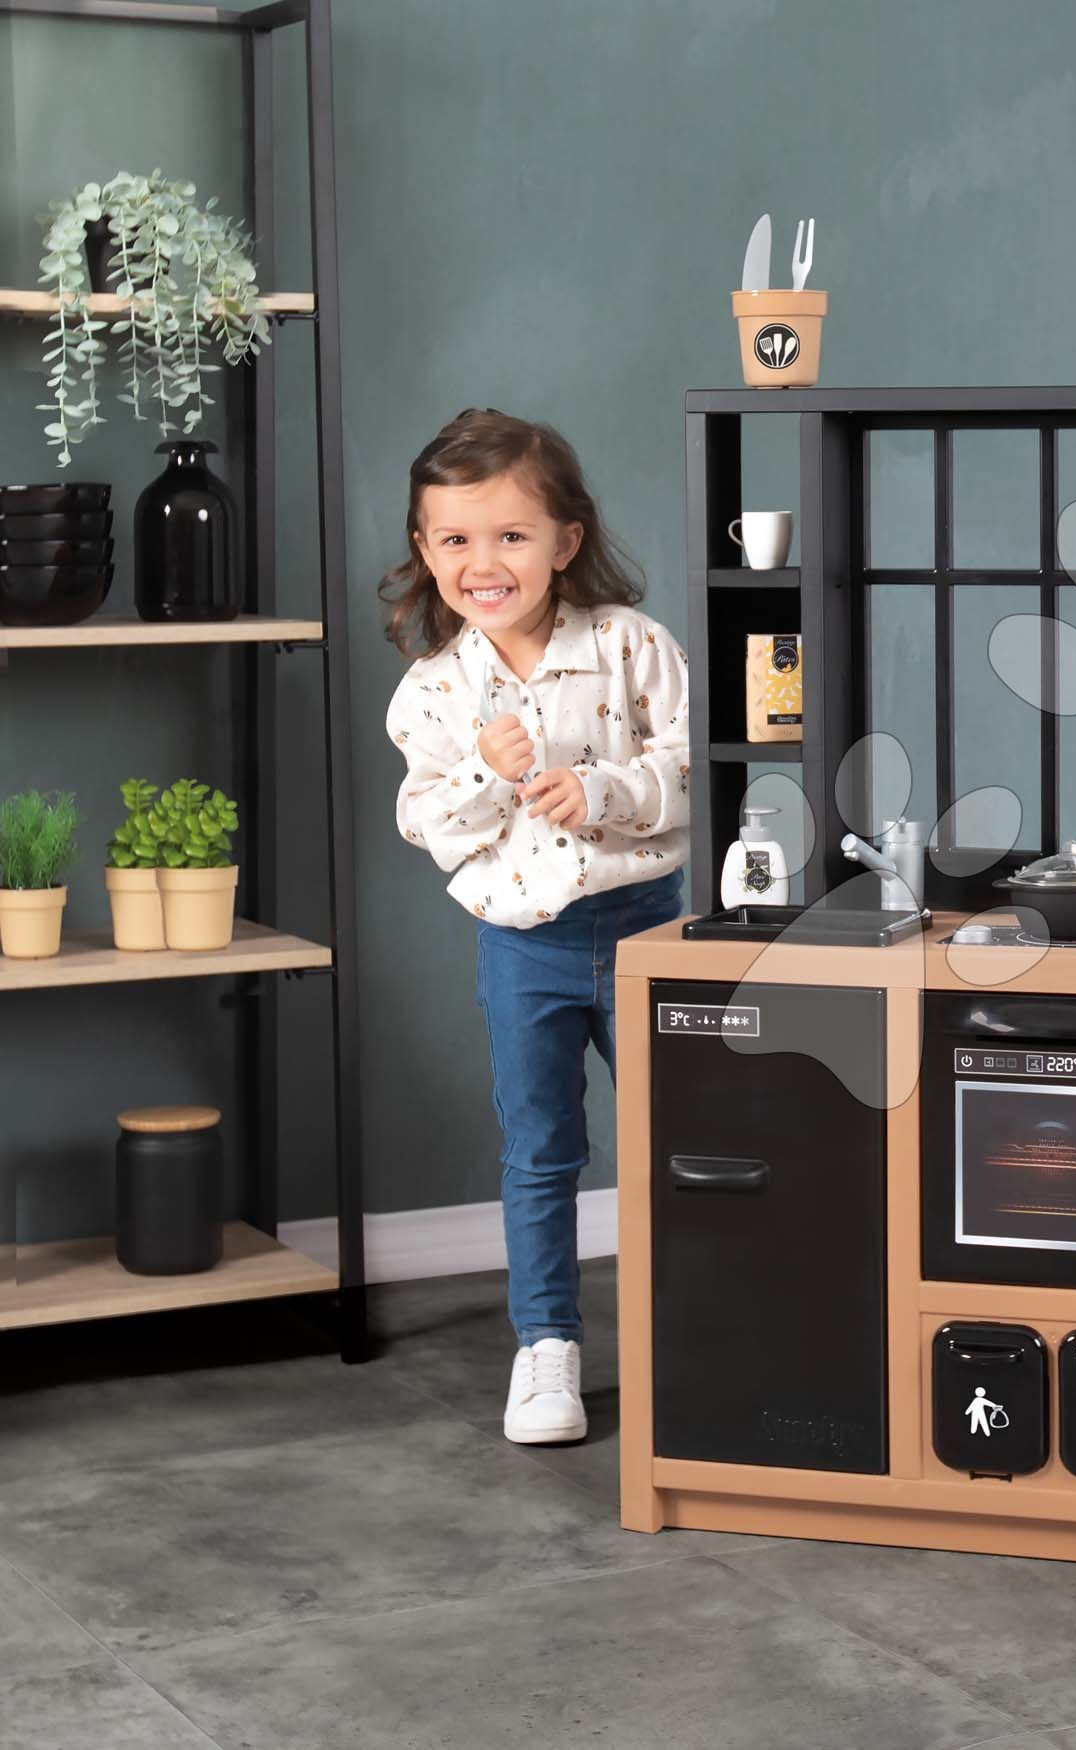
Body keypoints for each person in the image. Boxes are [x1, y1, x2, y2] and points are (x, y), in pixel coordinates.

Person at [383, 408, 689, 1445]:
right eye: (456, 539)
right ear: (426, 551)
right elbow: (426, 823)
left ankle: (695, 1327)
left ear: (565, 540)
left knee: (680, 1132)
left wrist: (603, 790)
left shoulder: (631, 646)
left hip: (646, 930)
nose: (484, 563)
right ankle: (547, 1345)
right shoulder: (434, 692)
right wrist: (487, 769)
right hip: (524, 947)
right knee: (541, 1149)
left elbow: (696, 769)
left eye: (511, 535)